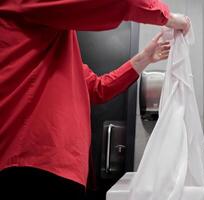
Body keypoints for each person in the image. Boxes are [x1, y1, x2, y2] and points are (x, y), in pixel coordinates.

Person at [0, 0, 190, 199]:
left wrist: (145, 57)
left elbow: (98, 88)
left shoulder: (53, 48)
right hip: (31, 161)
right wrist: (169, 18)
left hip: (46, 165)